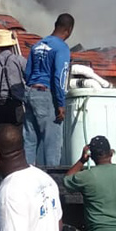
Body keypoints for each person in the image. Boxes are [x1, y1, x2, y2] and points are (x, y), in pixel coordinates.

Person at [23, 13, 74, 167]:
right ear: (69, 30)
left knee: (30, 140)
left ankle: (26, 174)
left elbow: (27, 73)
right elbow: (60, 76)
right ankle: (52, 180)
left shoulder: (37, 45)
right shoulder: (62, 47)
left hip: (30, 92)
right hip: (47, 94)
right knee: (52, 141)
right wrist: (60, 103)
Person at [0, 30, 27, 126]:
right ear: (11, 46)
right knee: (22, 138)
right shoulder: (20, 61)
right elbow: (30, 80)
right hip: (16, 107)